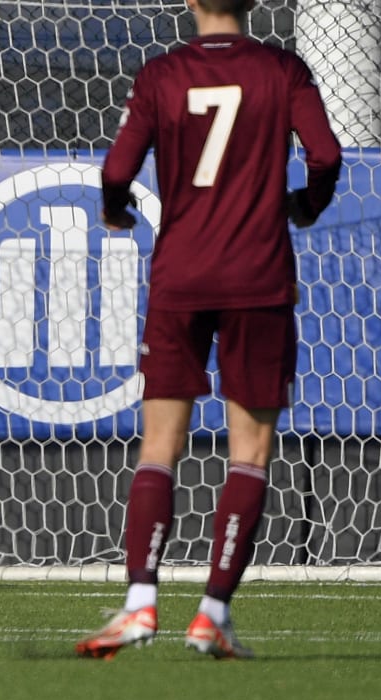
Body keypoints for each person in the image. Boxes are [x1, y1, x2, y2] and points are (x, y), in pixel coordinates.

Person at [75, 0, 342, 659]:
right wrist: (304, 206)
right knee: (248, 453)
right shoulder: (283, 69)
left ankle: (139, 605)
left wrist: (116, 212)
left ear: (190, 2)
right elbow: (326, 155)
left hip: (180, 280)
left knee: (159, 446)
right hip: (258, 278)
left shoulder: (162, 74)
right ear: (252, 2)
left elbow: (115, 171)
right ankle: (212, 613)